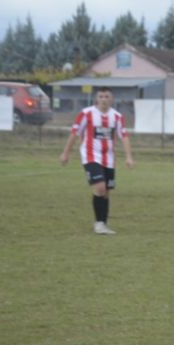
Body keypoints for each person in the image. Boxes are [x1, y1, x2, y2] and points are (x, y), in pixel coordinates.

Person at [60, 86, 134, 235]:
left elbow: (124, 136)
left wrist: (128, 156)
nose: (104, 100)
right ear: (96, 98)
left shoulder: (117, 116)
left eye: (106, 97)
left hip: (109, 159)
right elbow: (74, 133)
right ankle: (99, 224)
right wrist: (65, 153)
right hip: (90, 156)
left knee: (106, 192)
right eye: (101, 97)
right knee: (99, 187)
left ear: (111, 98)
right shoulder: (86, 114)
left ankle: (103, 223)